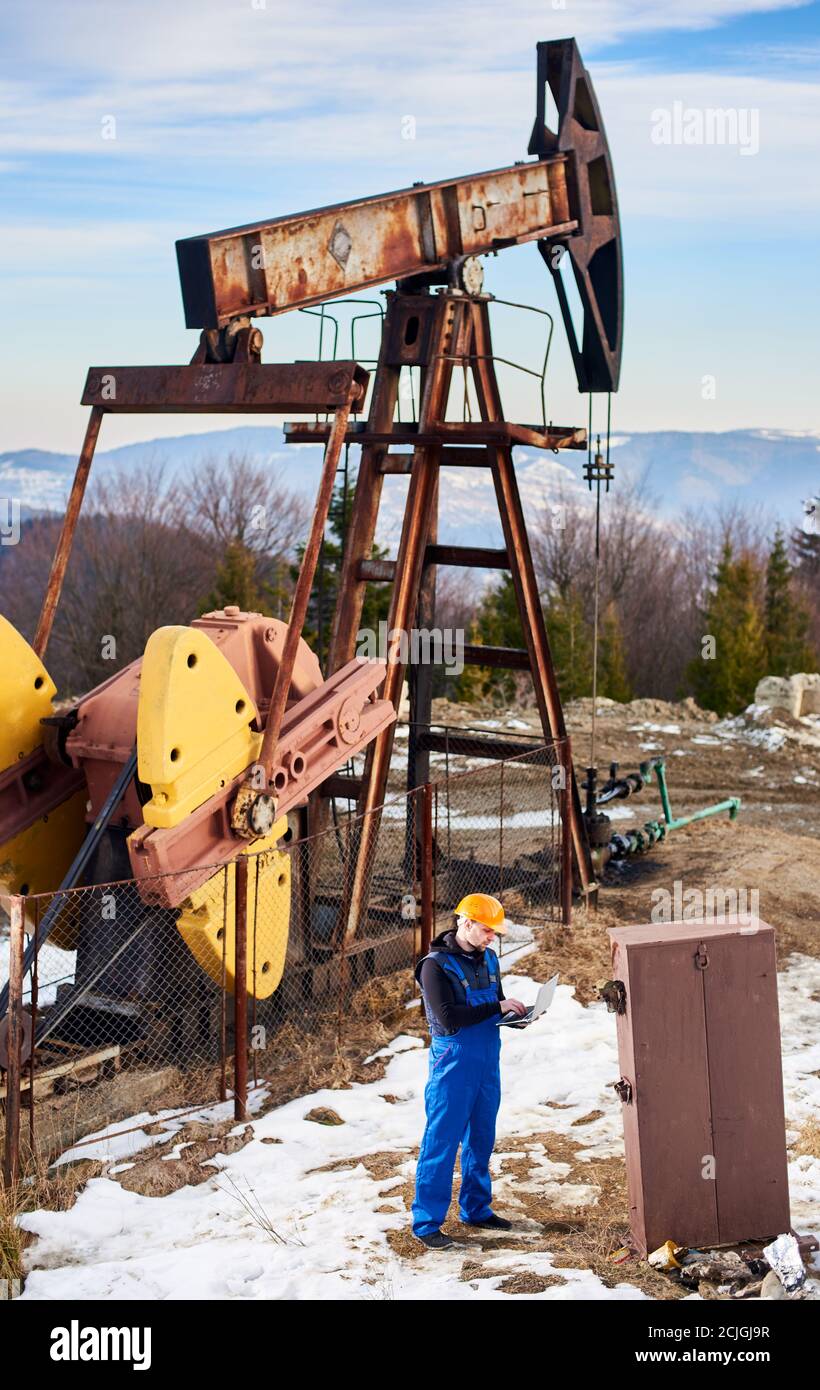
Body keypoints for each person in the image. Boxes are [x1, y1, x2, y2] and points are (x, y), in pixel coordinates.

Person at [410, 892, 527, 1250]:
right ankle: (427, 1222)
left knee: (481, 1138)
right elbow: (448, 1016)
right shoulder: (433, 966)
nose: (492, 938)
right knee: (442, 1140)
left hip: (487, 1059)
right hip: (453, 1063)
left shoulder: (489, 959)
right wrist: (496, 1006)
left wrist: (513, 1016)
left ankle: (476, 1208)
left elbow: (494, 1004)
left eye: (495, 932)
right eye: (487, 931)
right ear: (465, 923)